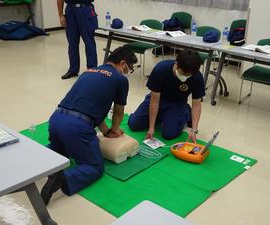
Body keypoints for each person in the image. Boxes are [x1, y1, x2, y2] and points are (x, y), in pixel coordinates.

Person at [41, 47, 137, 205]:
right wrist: (114, 131)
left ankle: (33, 161)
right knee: (95, 167)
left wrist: (105, 131)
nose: (128, 73)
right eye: (129, 69)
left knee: (60, 153)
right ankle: (61, 179)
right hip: (76, 127)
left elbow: (92, 108)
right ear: (122, 63)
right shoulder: (120, 80)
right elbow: (119, 112)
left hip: (56, 119)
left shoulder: (89, 71)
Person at [128, 49, 204, 142]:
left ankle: (186, 111)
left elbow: (196, 105)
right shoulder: (161, 69)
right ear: (177, 64)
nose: (186, 76)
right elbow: (154, 100)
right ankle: (161, 116)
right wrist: (151, 128)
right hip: (157, 99)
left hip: (177, 103)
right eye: (183, 73)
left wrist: (194, 130)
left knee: (169, 134)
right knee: (134, 124)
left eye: (189, 74)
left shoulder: (197, 76)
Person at [57, 0, 98, 80]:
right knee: (72, 43)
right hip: (70, 11)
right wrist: (61, 15)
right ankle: (73, 70)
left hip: (85, 9)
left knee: (89, 43)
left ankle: (92, 69)